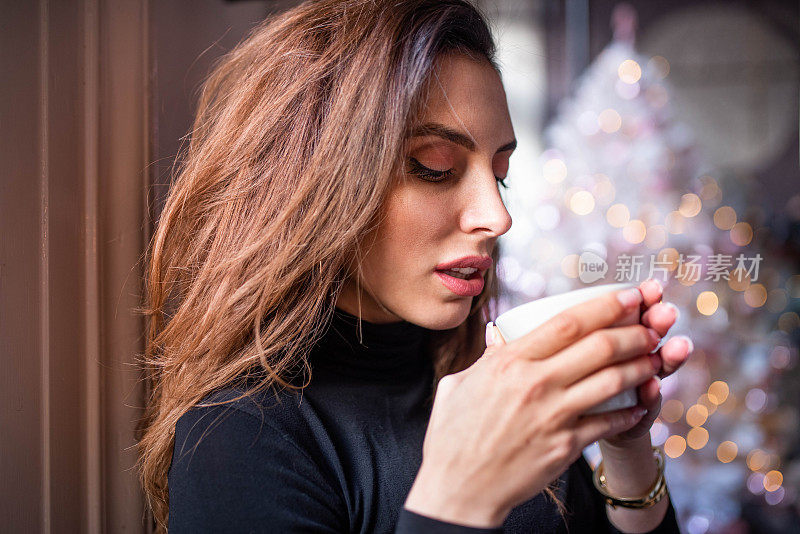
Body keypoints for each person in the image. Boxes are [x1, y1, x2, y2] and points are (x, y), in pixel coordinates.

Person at [136, 0, 691, 532]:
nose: (497, 217)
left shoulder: (490, 379)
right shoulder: (241, 436)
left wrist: (625, 447)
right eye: (435, 167)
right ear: (313, 183)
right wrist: (458, 500)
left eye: (500, 174)